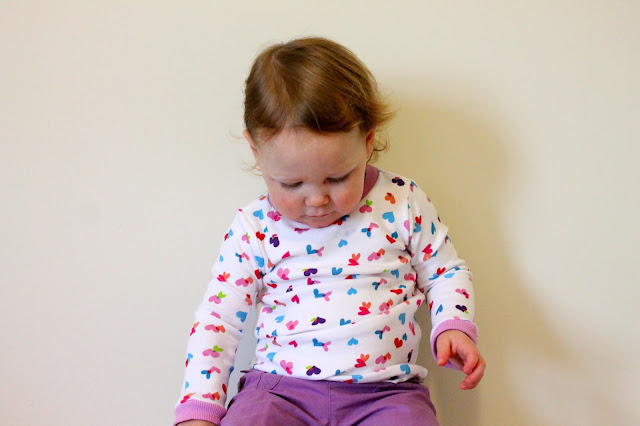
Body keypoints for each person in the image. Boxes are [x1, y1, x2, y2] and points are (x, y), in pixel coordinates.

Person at [175, 37, 485, 426]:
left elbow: (445, 271)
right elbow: (218, 318)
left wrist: (453, 324)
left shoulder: (401, 201)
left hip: (385, 395)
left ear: (368, 141)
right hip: (278, 392)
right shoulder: (254, 226)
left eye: (337, 178)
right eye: (291, 184)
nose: (317, 199)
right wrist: (199, 408)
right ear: (256, 152)